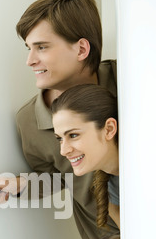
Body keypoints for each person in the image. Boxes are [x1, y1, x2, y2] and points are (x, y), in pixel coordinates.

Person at [0, 0, 118, 239]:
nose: (30, 60)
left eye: (42, 47)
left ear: (81, 49)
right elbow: (61, 179)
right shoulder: (30, 121)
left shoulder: (128, 79)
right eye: (29, 48)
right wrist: (22, 185)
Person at [51, 84, 119, 228]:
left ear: (109, 129)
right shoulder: (111, 190)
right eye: (60, 139)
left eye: (73, 135)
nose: (64, 151)